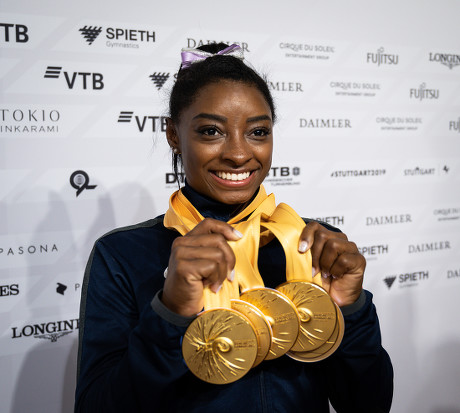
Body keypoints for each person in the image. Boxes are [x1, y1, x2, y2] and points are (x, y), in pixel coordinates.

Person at [75, 43, 393, 413]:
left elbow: (369, 404)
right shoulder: (124, 254)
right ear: (174, 135)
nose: (240, 154)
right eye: (212, 131)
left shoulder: (310, 243)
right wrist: (171, 313)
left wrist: (350, 309)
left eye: (258, 132)